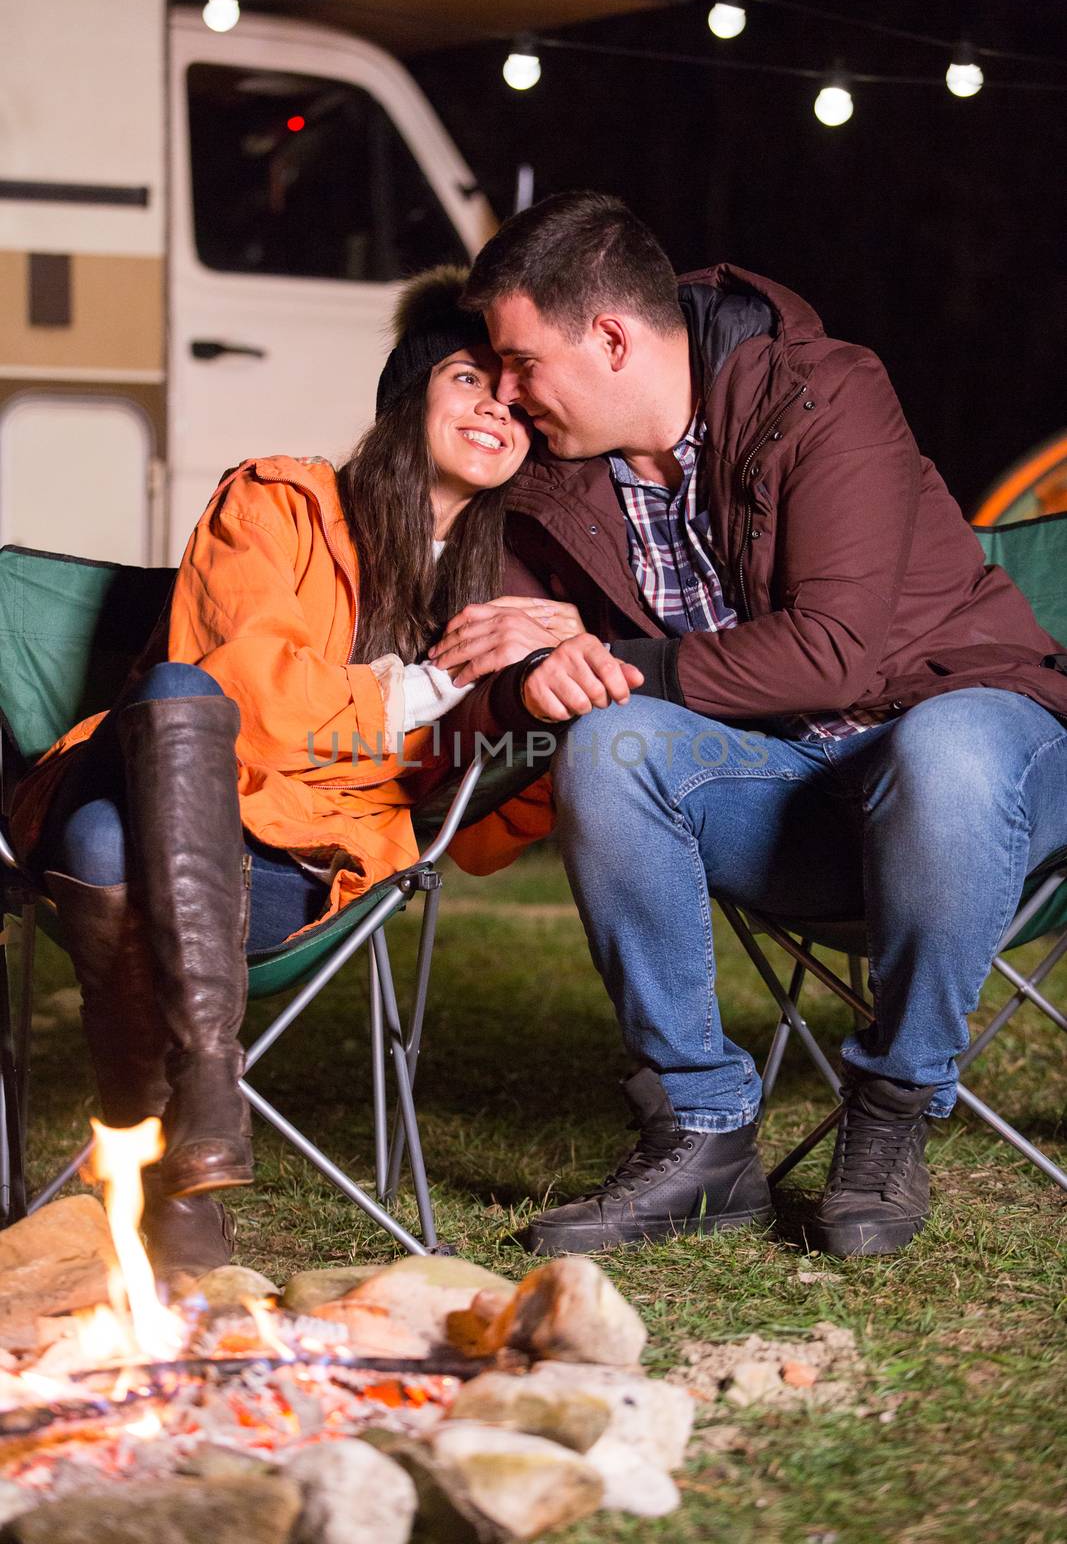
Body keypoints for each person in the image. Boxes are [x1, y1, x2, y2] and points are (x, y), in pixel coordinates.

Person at [430, 191, 1067, 1258]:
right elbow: (497, 662)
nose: (504, 391)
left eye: (519, 361)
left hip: (984, 759)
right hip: (796, 803)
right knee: (610, 743)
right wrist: (534, 677)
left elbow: (833, 652)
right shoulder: (549, 481)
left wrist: (607, 662)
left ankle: (889, 1112)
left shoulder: (821, 393)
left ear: (611, 337)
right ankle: (701, 1133)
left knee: (942, 749)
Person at [10, 267, 618, 1284]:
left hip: (294, 869)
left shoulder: (501, 592)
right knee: (157, 722)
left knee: (107, 846)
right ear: (410, 390)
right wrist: (412, 693)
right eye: (468, 378)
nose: (492, 410)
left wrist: (542, 677)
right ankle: (206, 1097)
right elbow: (236, 688)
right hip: (155, 792)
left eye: (514, 406)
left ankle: (160, 1150)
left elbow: (472, 835)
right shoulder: (277, 501)